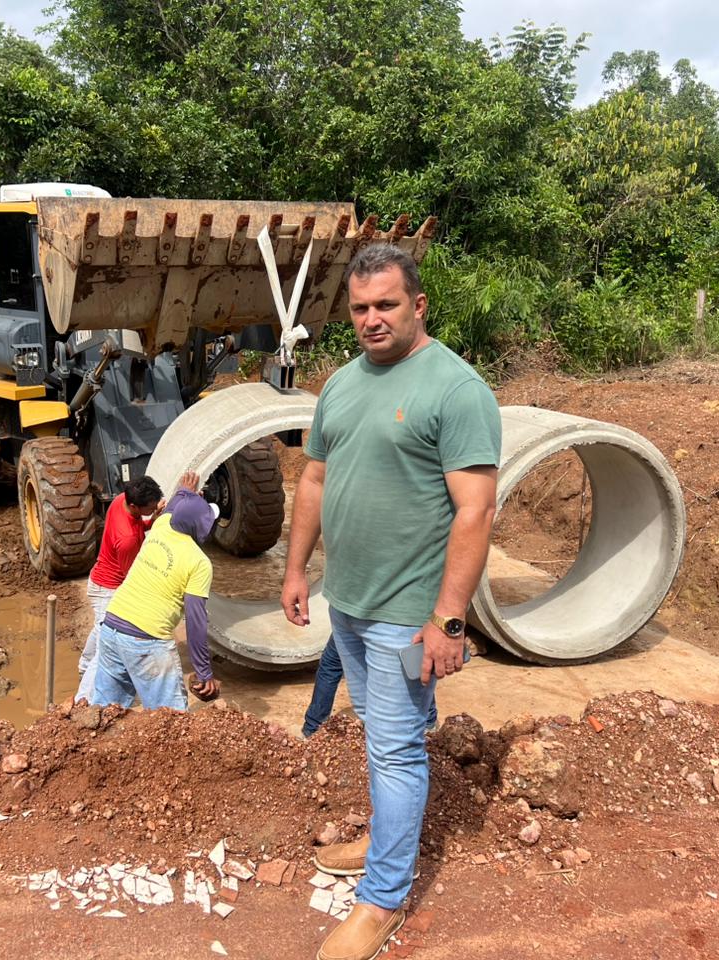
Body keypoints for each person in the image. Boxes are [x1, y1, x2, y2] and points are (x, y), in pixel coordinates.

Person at [281, 244, 500, 960]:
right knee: (379, 730)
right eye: (361, 309)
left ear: (418, 306)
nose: (373, 320)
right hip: (348, 601)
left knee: (399, 750)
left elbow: (475, 512)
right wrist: (295, 571)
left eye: (387, 305)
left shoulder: (456, 390)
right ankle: (386, 840)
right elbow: (314, 481)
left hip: (408, 615)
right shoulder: (342, 384)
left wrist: (448, 620)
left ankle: (382, 901)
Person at [91, 472, 222, 710]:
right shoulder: (199, 563)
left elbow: (173, 507)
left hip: (112, 626)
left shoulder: (161, 525)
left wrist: (185, 491)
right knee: (169, 721)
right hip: (145, 641)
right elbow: (195, 623)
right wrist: (204, 673)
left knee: (103, 713)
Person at [76, 475, 164, 703]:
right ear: (135, 506)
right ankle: (84, 700)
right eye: (151, 507)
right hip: (109, 589)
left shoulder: (120, 501)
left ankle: (83, 667)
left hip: (98, 579)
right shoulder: (128, 540)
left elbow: (139, 523)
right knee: (107, 646)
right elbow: (131, 577)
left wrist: (152, 518)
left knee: (99, 627)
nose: (154, 508)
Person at [301, 635, 437, 738]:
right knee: (411, 661)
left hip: (356, 611)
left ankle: (312, 728)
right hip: (397, 615)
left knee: (331, 665)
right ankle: (428, 722)